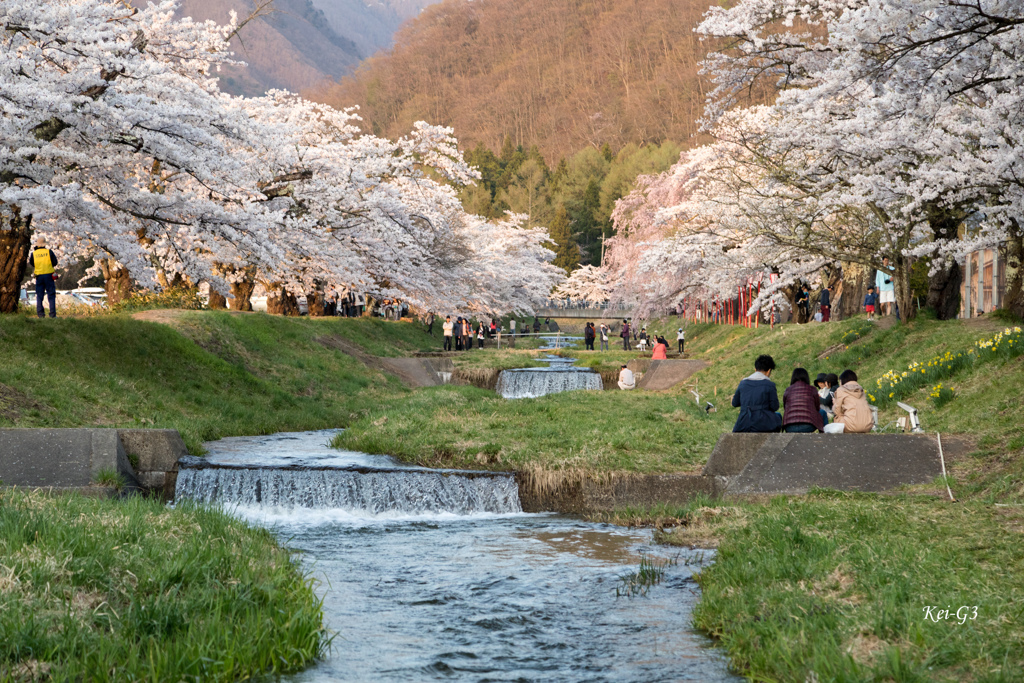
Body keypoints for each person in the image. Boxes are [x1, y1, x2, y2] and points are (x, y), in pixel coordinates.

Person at [731, 354, 783, 433]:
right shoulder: (770, 385)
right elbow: (774, 407)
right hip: (763, 424)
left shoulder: (743, 383)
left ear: (755, 369)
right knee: (778, 415)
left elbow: (734, 403)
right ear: (769, 371)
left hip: (743, 424)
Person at [783, 368, 824, 433]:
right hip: (808, 426)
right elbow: (817, 408)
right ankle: (824, 437)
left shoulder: (788, 390)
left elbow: (785, 408)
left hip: (789, 427)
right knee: (822, 412)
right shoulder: (812, 389)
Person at [28, 235, 58, 319]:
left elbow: (32, 263)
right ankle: (52, 315)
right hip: (49, 275)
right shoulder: (49, 252)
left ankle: (40, 315)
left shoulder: (33, 253)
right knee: (51, 295)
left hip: (39, 276)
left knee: (39, 295)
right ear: (45, 244)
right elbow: (55, 262)